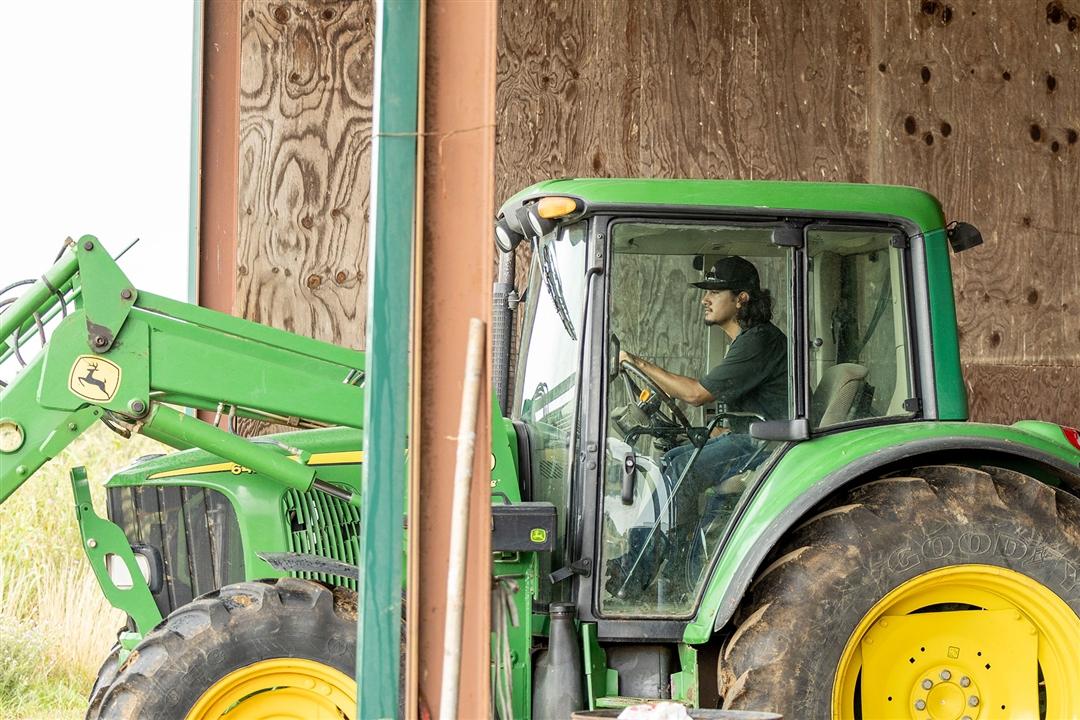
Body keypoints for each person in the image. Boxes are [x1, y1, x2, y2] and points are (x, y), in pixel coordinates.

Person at [618, 255, 787, 540]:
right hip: (754, 437)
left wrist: (637, 363)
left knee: (682, 468)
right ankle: (671, 553)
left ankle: (640, 566)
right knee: (673, 459)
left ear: (740, 298)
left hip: (766, 445)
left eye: (714, 292)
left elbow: (696, 394)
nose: (704, 300)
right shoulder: (747, 340)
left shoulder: (759, 340)